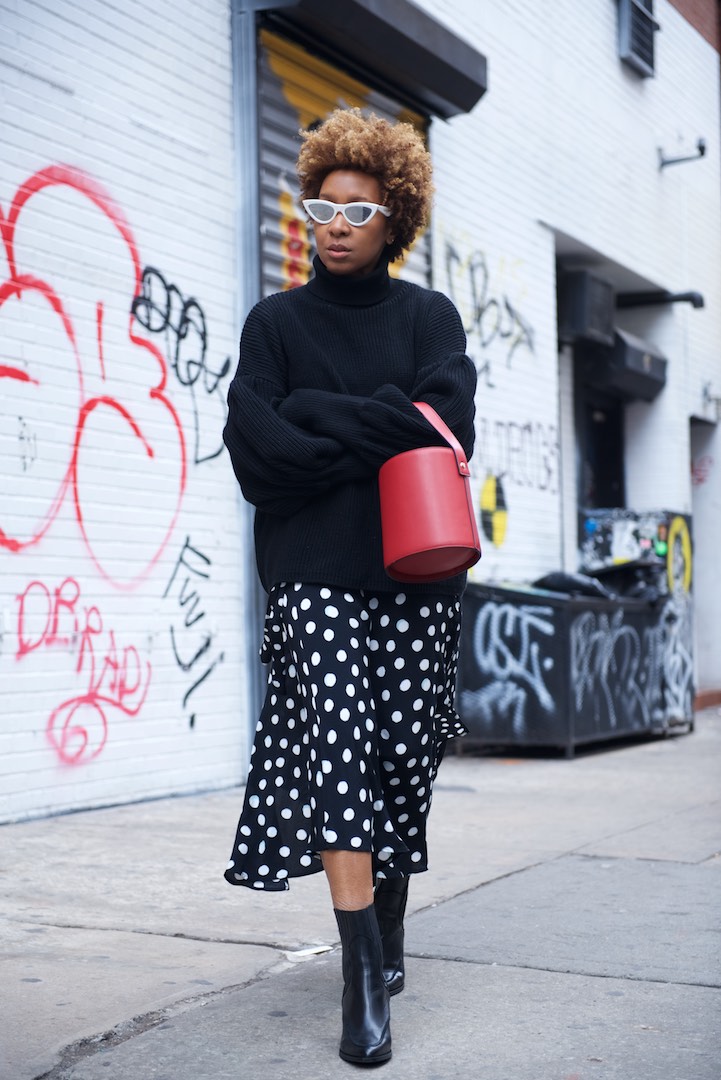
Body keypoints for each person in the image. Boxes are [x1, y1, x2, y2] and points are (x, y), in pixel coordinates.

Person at [222, 107, 477, 1067]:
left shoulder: (428, 319)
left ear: (392, 216)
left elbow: (440, 426)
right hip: (311, 576)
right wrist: (374, 422)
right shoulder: (274, 324)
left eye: (356, 209)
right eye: (319, 206)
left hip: (416, 575)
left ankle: (390, 921)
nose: (332, 223)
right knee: (339, 755)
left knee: (404, 758)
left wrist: (317, 420)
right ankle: (361, 973)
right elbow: (260, 454)